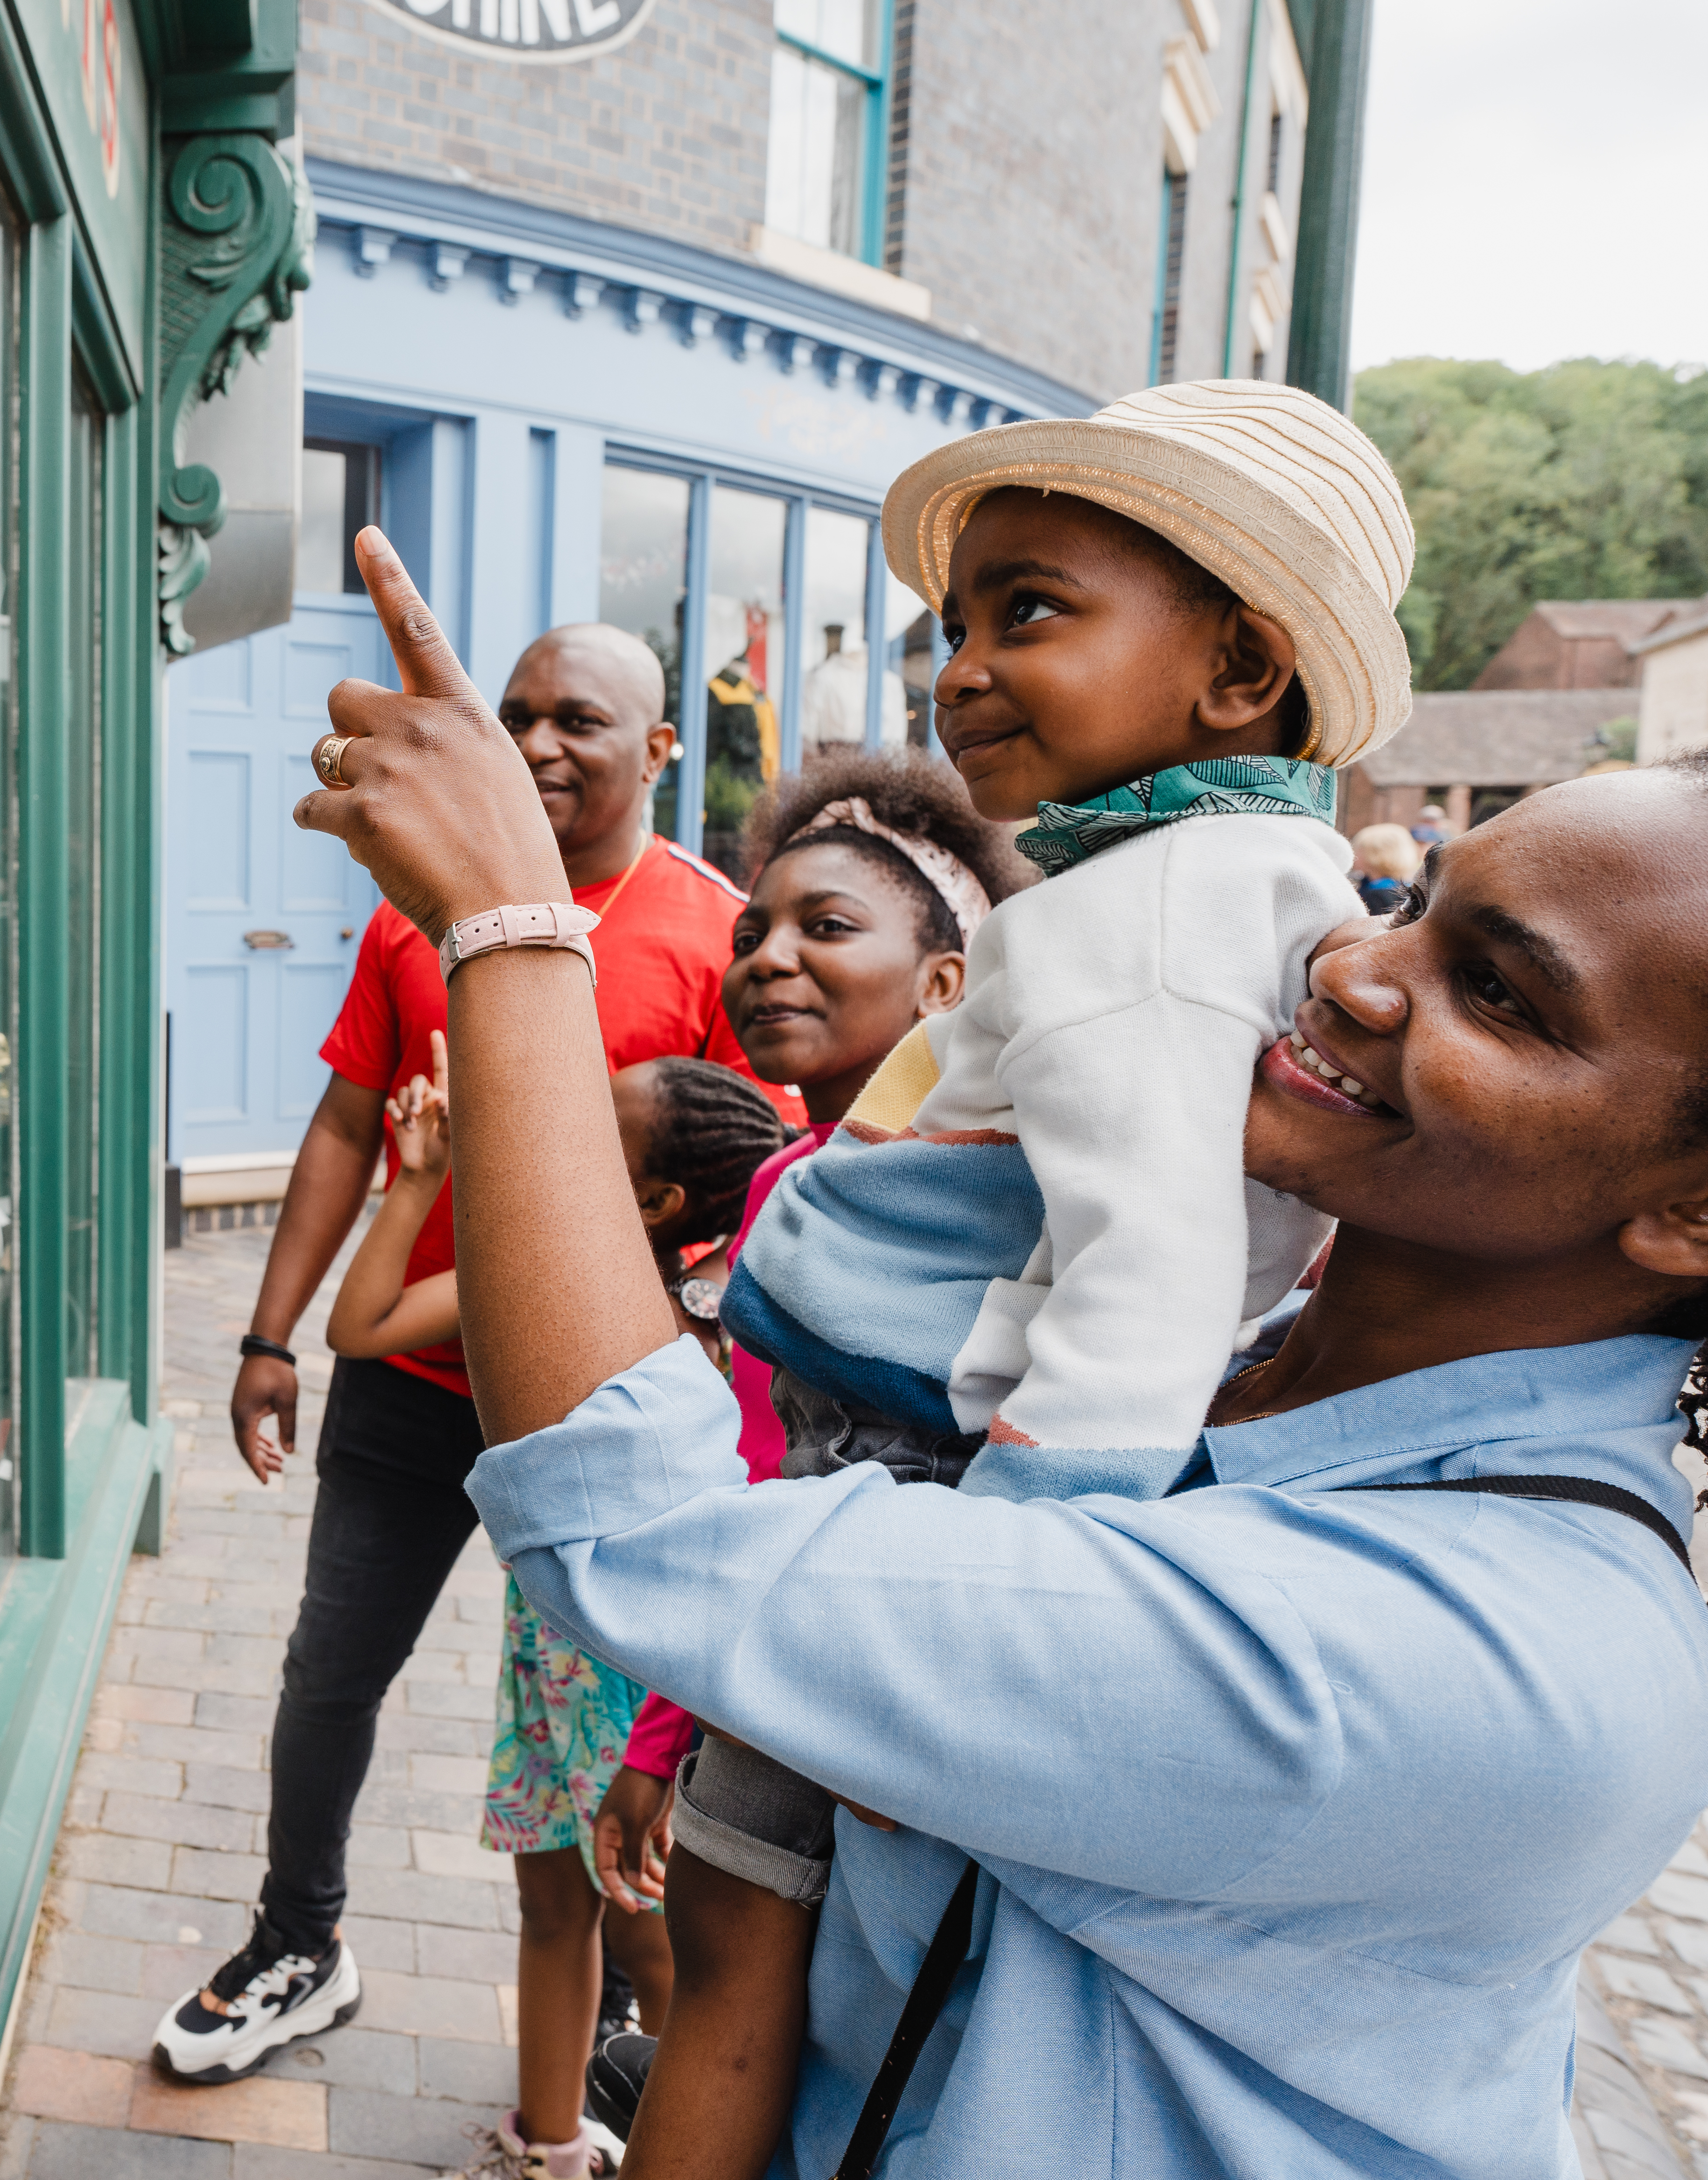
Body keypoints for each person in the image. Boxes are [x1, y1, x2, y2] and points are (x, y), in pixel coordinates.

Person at [298, 522, 1708, 2177]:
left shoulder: (1486, 1655)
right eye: (1409, 912)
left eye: (1498, 996)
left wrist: (507, 929)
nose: (1353, 972)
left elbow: (637, 1533)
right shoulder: (1234, 1354)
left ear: (1684, 1211)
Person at [659, 382, 1425, 2169]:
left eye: (1033, 611)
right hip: (963, 1469)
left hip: (937, 1486)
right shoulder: (1257, 871)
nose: (964, 665)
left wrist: (994, 1595)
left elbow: (1144, 1277)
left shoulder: (1123, 916)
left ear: (1239, 672)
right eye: (957, 622)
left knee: (730, 1939)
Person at [156, 622, 795, 2085]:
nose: (542, 743)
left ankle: (628, 2010)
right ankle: (296, 1940)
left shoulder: (709, 933)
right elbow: (339, 1124)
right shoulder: (412, 911)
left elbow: (746, 1184)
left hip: (596, 1409)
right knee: (327, 1673)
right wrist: (268, 1332)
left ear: (658, 748)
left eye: (581, 717)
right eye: (517, 716)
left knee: (614, 1728)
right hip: (405, 1381)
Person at [327, 1038, 786, 2180]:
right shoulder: (543, 1283)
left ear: (653, 1197)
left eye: (599, 1122)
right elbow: (362, 1323)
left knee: (652, 1928)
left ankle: (676, 2141)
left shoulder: (701, 1334)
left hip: (646, 1691)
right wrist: (423, 1175)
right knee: (547, 1906)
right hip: (550, 1659)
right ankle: (547, 2147)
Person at [596, 750, 1031, 1924]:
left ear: (949, 980)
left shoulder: (1012, 1181)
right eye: (750, 935)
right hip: (797, 1663)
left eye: (825, 925)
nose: (768, 958)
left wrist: (656, 1740)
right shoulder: (792, 1180)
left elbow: (763, 1490)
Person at [1350, 818, 1423, 915]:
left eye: (1359, 849)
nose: (1353, 854)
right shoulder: (1405, 890)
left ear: (1375, 856)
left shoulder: (1379, 895)